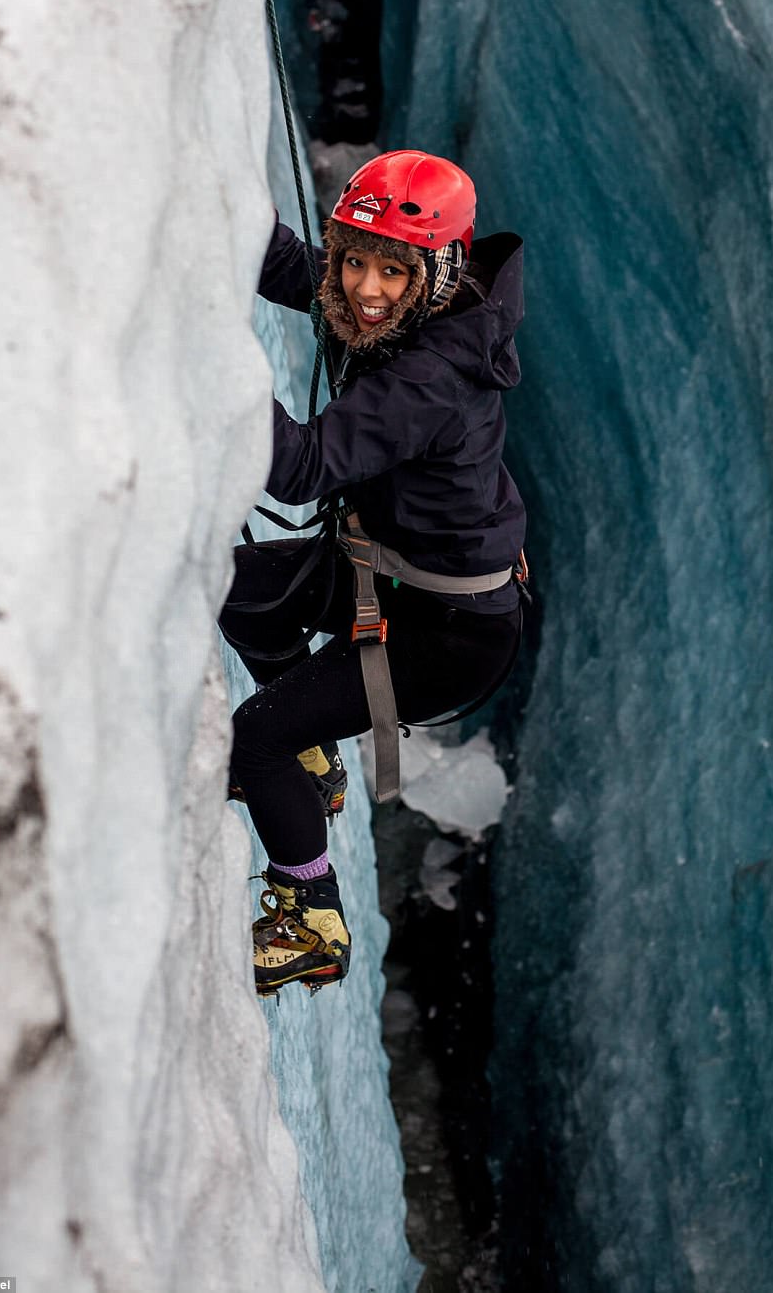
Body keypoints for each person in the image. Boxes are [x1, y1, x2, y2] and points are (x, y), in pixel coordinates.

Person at [219, 149, 527, 998]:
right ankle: (312, 757)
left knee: (254, 737)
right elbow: (299, 272)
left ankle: (310, 913)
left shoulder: (432, 377)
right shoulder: (413, 303)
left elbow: (304, 467)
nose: (366, 286)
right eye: (356, 256)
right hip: (388, 575)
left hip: (446, 634)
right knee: (243, 593)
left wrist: (216, 365)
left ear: (435, 270)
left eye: (392, 269)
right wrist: (212, 216)